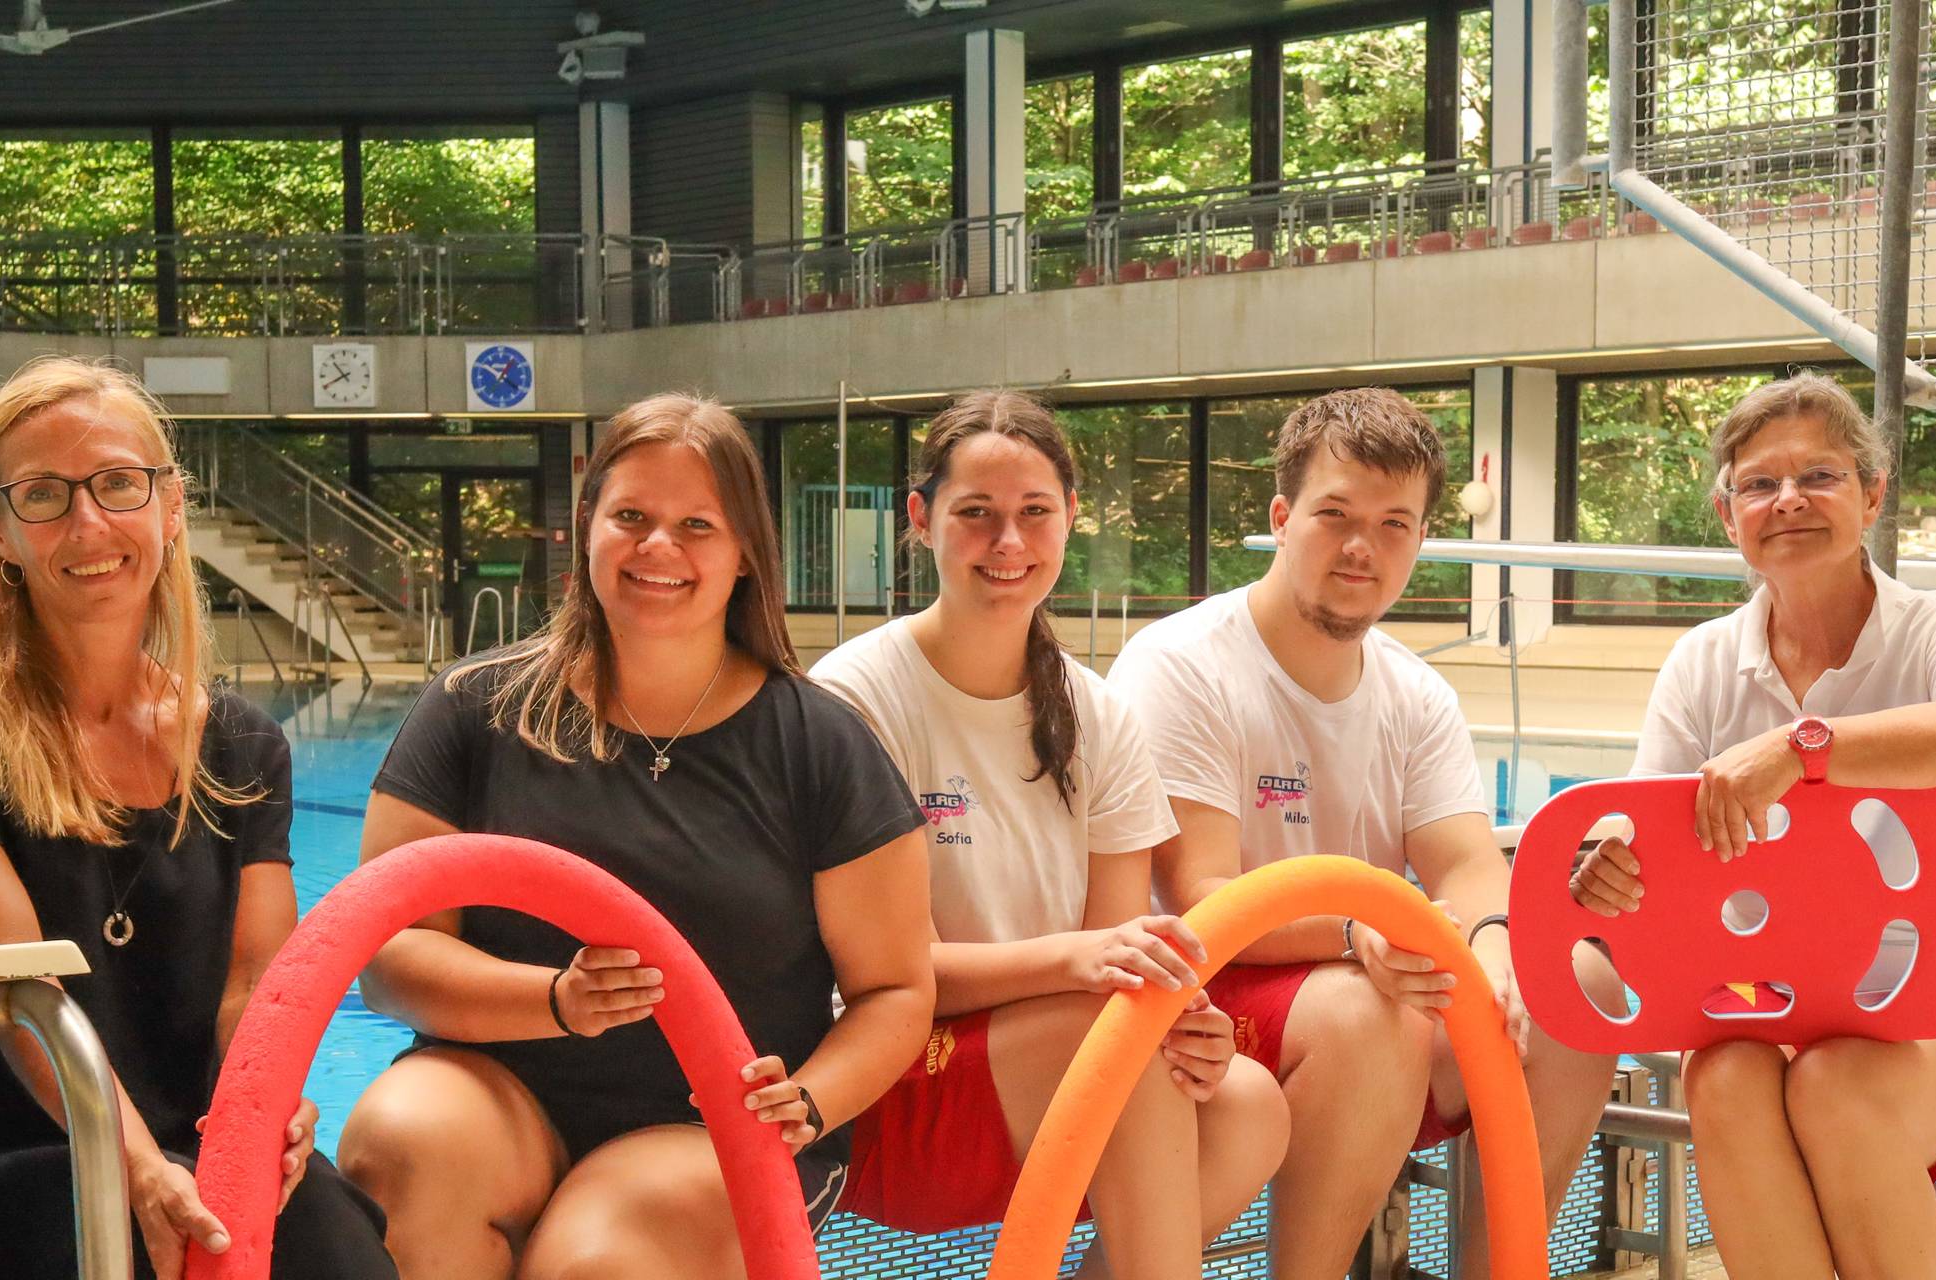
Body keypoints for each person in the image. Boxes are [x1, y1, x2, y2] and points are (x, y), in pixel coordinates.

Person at [336, 392, 934, 1280]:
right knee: (403, 1151)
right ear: (588, 530)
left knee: (601, 1261)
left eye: (698, 524)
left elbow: (894, 990)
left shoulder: (820, 745)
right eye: (632, 517)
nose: (660, 547)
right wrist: (552, 1000)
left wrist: (808, 1100)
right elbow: (389, 952)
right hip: (497, 1087)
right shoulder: (474, 710)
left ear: (744, 558)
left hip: (712, 1119)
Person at [0, 356, 394, 1280]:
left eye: (116, 484)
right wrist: (138, 1171)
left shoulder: (242, 746)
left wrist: (262, 1119)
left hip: (196, 1150)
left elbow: (253, 986)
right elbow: (23, 998)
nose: (89, 523)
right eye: (45, 495)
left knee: (340, 1253)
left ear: (170, 506)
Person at [1108, 387, 1617, 1279]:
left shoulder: (1414, 691)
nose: (1360, 548)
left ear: (1421, 540)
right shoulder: (1183, 664)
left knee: (1577, 984)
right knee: (1367, 1011)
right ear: (1281, 516)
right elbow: (1203, 897)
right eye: (1334, 514)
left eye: (1393, 525)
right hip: (1218, 1006)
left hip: (1373, 991)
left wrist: (1494, 952)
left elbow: (1464, 861)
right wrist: (1359, 934)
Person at [1573, 371, 1936, 1280]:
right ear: (1728, 517)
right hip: (1770, 997)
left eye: (1819, 475)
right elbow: (1637, 841)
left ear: (1871, 496)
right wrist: (1608, 873)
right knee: (1723, 1077)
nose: (1787, 499)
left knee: (1835, 1085)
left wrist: (1803, 746)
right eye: (1759, 483)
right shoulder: (1703, 661)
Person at [809, 391, 1286, 1276]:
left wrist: (1184, 1021)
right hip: (887, 1092)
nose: (1009, 544)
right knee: (1102, 1039)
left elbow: (1119, 951)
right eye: (976, 515)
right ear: (921, 519)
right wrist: (1082, 966)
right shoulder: (856, 699)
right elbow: (885, 972)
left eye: (1034, 513)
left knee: (1249, 1101)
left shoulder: (1098, 715)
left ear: (1070, 516)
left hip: (1051, 1080)